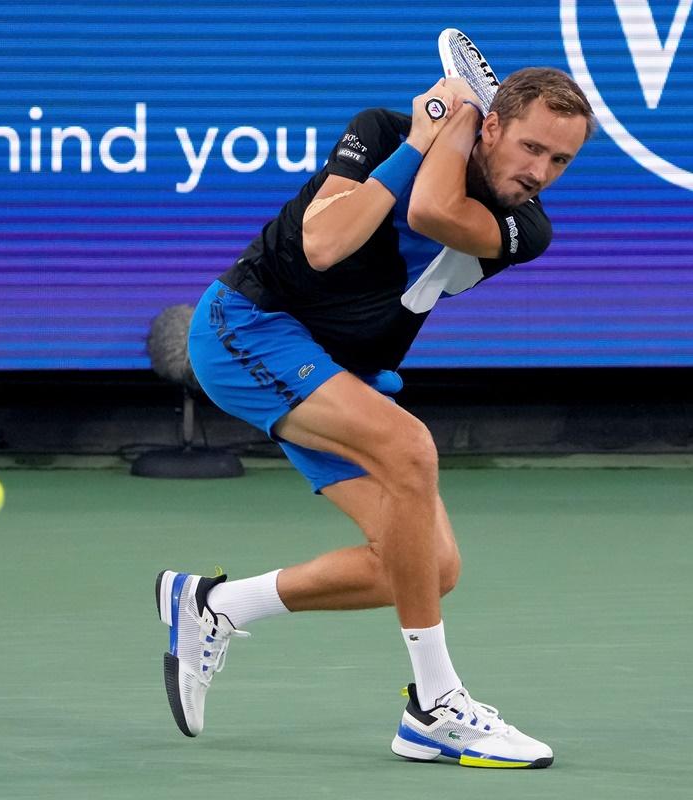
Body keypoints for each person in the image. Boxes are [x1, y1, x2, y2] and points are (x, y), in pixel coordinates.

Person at [158, 67, 595, 769]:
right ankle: (435, 705)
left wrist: (447, 129)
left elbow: (429, 212)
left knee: (427, 566)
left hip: (338, 374)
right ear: (493, 126)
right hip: (249, 328)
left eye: (560, 160)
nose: (540, 171)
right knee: (412, 451)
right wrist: (420, 137)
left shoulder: (524, 226)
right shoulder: (382, 131)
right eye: (532, 148)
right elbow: (325, 244)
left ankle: (216, 604)